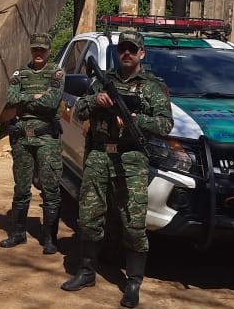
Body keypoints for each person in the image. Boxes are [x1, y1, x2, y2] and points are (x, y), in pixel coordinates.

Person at [61, 30, 172, 308]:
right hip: (99, 155)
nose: (127, 53)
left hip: (131, 159)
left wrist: (137, 119)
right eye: (123, 48)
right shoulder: (102, 82)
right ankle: (86, 271)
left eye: (132, 49)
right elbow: (79, 110)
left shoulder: (152, 87)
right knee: (88, 218)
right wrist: (94, 101)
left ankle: (133, 283)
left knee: (134, 224)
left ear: (141, 54)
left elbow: (165, 124)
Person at [0, 32, 65, 254]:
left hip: (47, 138)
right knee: (21, 187)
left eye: (42, 50)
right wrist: (34, 97)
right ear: (31, 50)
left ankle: (49, 238)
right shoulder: (20, 73)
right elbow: (10, 97)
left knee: (50, 188)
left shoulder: (56, 72)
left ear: (48, 50)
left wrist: (26, 98)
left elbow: (51, 101)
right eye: (35, 49)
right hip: (23, 137)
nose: (38, 53)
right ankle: (18, 232)